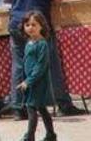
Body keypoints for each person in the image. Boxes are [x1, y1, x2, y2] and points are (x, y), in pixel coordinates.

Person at [4, 0, 84, 118]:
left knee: (18, 65)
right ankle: (63, 103)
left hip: (17, 22)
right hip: (39, 23)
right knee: (50, 63)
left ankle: (18, 107)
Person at [17, 11, 57, 141]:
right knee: (41, 108)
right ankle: (51, 134)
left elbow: (40, 66)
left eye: (34, 24)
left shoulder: (42, 44)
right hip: (30, 81)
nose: (30, 28)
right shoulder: (29, 43)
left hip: (37, 82)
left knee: (31, 108)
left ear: (41, 26)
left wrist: (28, 81)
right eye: (27, 25)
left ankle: (30, 136)